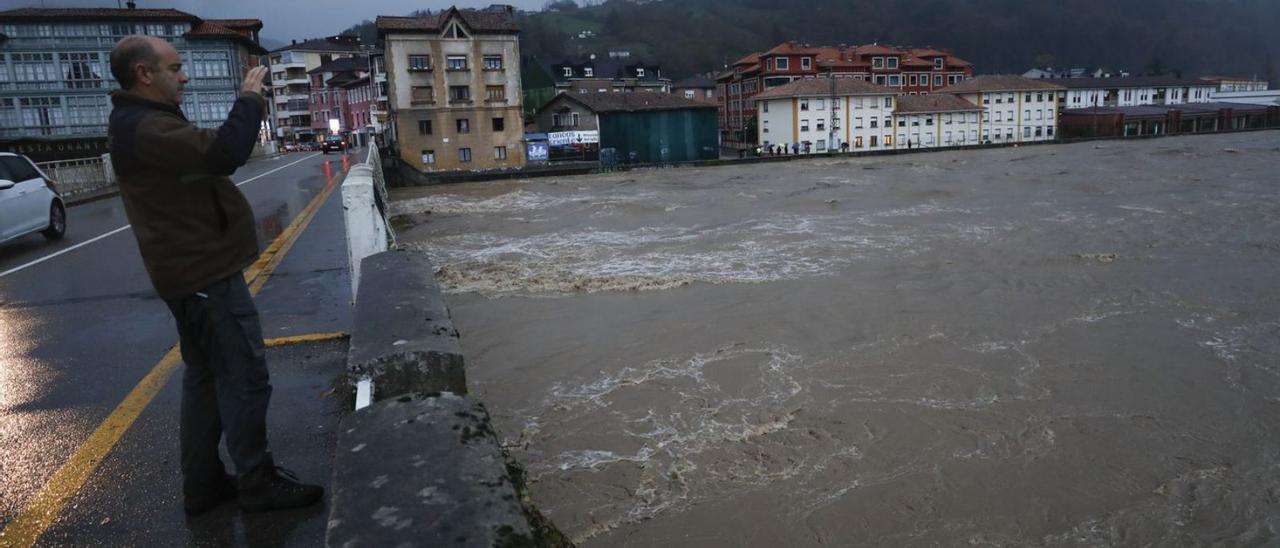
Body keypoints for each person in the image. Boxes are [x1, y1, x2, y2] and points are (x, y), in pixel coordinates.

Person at [108, 35, 323, 516]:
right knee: (243, 376)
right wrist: (249, 97)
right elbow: (224, 152)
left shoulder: (142, 122)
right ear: (144, 74)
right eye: (175, 67)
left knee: (205, 377)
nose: (183, 76)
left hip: (187, 273)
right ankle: (257, 480)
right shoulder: (146, 127)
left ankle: (203, 484)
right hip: (203, 273)